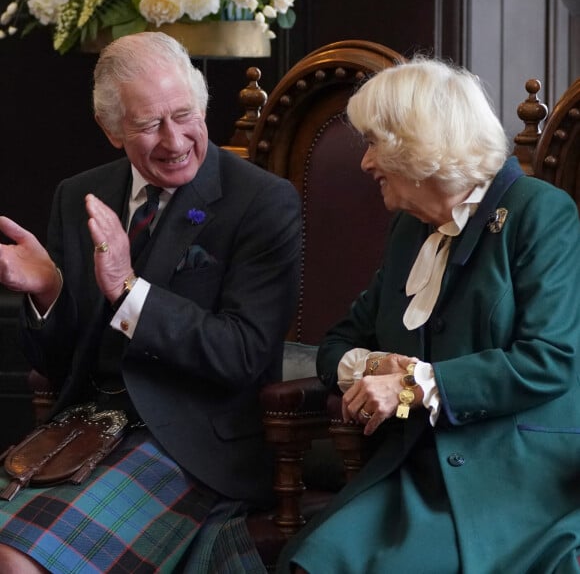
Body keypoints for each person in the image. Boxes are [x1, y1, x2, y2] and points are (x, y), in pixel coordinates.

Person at [0, 31, 301, 573]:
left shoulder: (260, 201)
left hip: (191, 443)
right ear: (112, 129)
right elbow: (56, 363)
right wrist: (49, 292)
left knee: (18, 562)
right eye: (147, 125)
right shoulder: (79, 194)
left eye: (184, 114)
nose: (174, 139)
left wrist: (128, 290)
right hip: (82, 428)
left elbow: (243, 353)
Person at [278, 57, 580, 573]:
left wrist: (418, 384)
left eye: (374, 143)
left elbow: (550, 360)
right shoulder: (410, 230)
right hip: (413, 465)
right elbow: (337, 344)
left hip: (515, 476)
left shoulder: (540, 213)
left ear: (418, 147)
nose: (366, 163)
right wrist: (375, 371)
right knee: (310, 563)